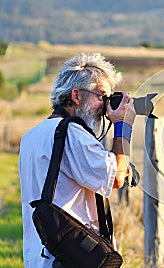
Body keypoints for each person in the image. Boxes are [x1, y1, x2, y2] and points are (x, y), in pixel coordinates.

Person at [18, 52, 136, 268]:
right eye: (102, 96)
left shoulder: (31, 135)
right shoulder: (72, 134)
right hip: (74, 256)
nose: (106, 107)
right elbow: (117, 176)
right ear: (76, 96)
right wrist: (122, 125)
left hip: (40, 255)